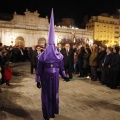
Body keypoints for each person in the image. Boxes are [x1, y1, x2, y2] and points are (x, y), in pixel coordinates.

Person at [36, 9, 69, 120]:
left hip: (55, 78)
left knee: (54, 95)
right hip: (45, 78)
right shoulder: (42, 56)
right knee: (46, 96)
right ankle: (46, 113)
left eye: (52, 44)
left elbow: (61, 68)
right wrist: (38, 80)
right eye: (49, 44)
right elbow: (39, 69)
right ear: (47, 44)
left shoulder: (59, 56)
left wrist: (64, 76)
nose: (51, 46)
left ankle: (52, 111)